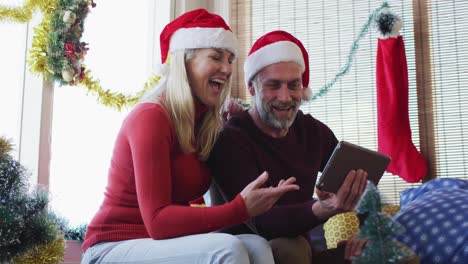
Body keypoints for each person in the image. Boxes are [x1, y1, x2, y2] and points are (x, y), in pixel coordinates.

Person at [81, 10, 300, 264]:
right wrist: (240, 209)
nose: (228, 69)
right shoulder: (151, 116)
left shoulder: (203, 125)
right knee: (227, 249)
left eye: (230, 59)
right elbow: (158, 222)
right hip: (112, 247)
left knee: (257, 246)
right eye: (216, 57)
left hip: (158, 244)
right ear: (184, 63)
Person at [208, 30, 368, 264]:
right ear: (251, 88)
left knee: (391, 254)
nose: (285, 97)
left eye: (293, 85)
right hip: (246, 251)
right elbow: (263, 222)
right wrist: (322, 209)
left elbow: (362, 180)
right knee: (288, 248)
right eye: (273, 85)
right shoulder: (230, 140)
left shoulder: (313, 132)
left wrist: (366, 232)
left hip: (303, 251)